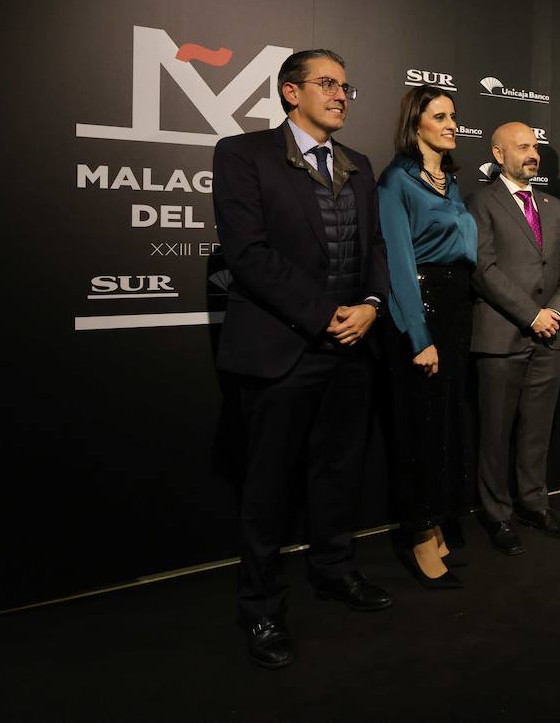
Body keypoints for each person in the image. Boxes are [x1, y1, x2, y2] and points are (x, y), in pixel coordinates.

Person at [213, 49, 391, 669]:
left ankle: (335, 569)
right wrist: (323, 315)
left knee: (339, 472)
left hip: (352, 346)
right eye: (327, 84)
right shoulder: (243, 155)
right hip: (282, 348)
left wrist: (370, 303)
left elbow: (375, 247)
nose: (341, 95)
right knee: (268, 486)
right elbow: (249, 254)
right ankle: (259, 606)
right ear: (291, 93)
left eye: (346, 86)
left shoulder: (360, 165)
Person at [377, 85, 478, 588]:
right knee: (419, 427)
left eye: (454, 116)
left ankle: (436, 521)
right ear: (416, 122)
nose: (451, 124)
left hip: (457, 309)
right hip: (421, 308)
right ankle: (418, 534)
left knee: (443, 425)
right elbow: (399, 264)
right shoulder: (397, 180)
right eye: (440, 116)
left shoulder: (448, 181)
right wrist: (419, 336)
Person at [465, 123, 560, 555]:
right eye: (523, 147)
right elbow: (482, 269)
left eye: (534, 146)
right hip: (501, 336)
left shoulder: (553, 205)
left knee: (538, 430)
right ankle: (497, 515)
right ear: (499, 154)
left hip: (552, 337)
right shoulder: (480, 202)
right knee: (495, 433)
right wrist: (532, 314)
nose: (532, 154)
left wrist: (556, 313)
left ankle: (534, 503)